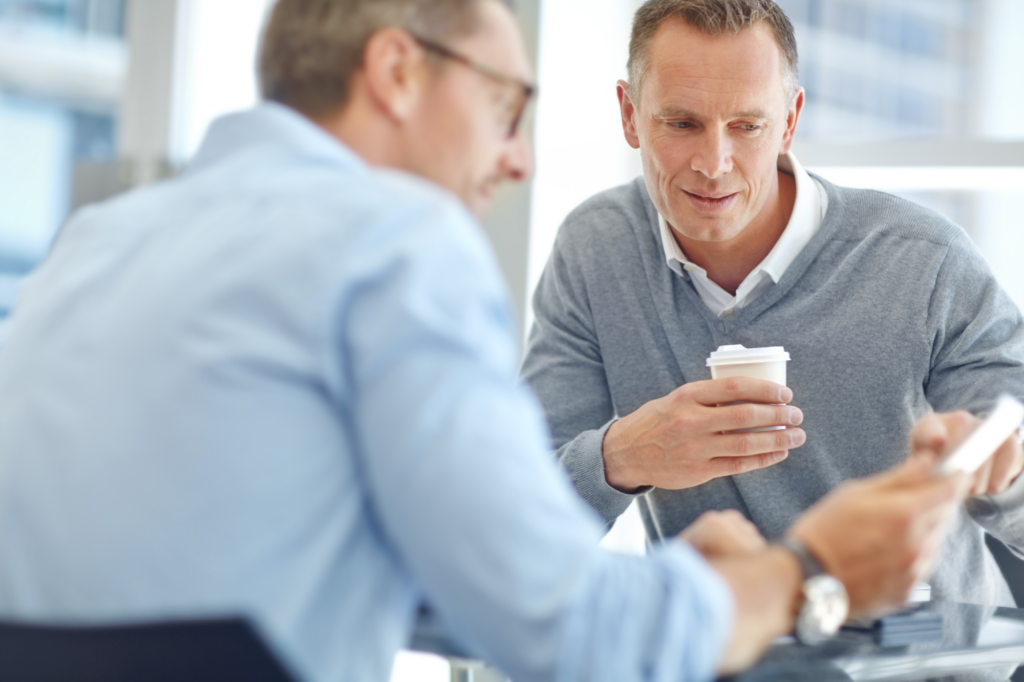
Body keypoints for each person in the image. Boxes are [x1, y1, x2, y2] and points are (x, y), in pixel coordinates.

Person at [0, 0, 973, 681]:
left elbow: (429, 582)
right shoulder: (393, 241)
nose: (518, 156)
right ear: (394, 71)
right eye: (506, 104)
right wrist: (797, 573)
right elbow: (551, 625)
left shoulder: (99, 241)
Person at [521, 0, 1024, 610]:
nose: (713, 164)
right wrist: (621, 456)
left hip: (916, 666)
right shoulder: (596, 250)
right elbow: (520, 523)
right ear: (630, 114)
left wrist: (1003, 473)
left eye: (747, 126)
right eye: (681, 124)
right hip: (718, 656)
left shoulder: (926, 263)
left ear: (789, 120)